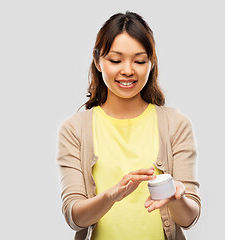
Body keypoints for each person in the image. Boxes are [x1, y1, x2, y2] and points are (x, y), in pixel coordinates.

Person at [56, 11, 201, 240]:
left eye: (140, 61)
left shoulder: (176, 124)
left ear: (151, 63)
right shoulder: (74, 129)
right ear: (98, 61)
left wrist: (177, 197)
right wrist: (111, 195)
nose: (128, 70)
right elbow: (74, 217)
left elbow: (188, 218)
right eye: (115, 60)